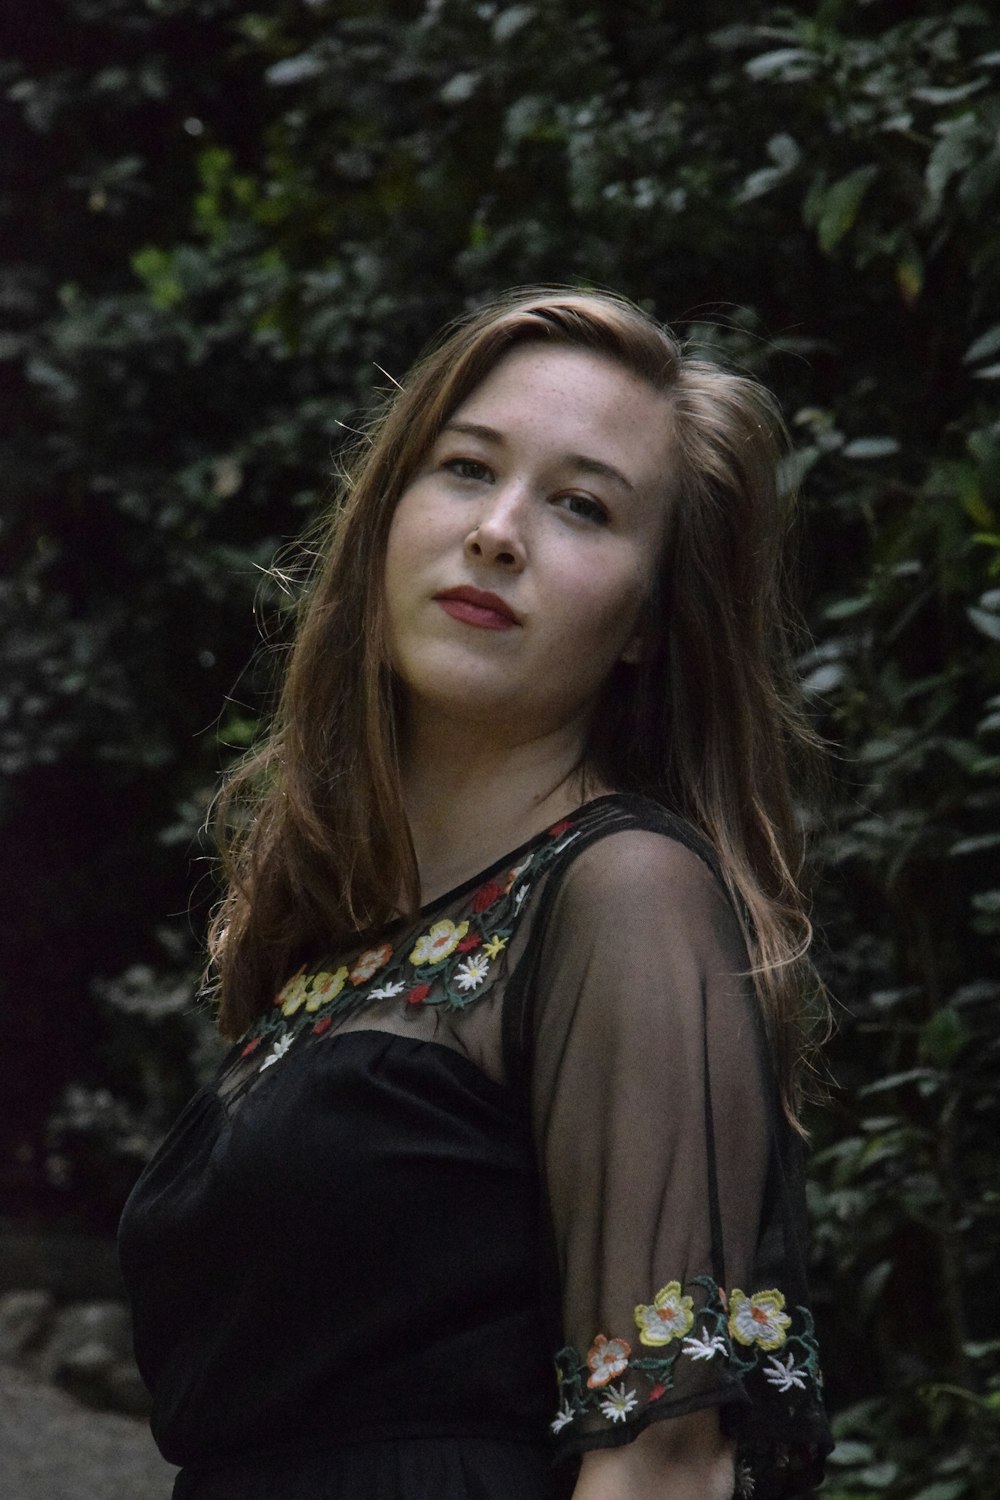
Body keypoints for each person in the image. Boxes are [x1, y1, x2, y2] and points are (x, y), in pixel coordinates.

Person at [118, 287, 833, 1500]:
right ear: (387, 511)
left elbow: (661, 1465)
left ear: (646, 625)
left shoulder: (626, 893)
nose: (500, 531)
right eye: (465, 469)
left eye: (581, 506)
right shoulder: (343, 944)